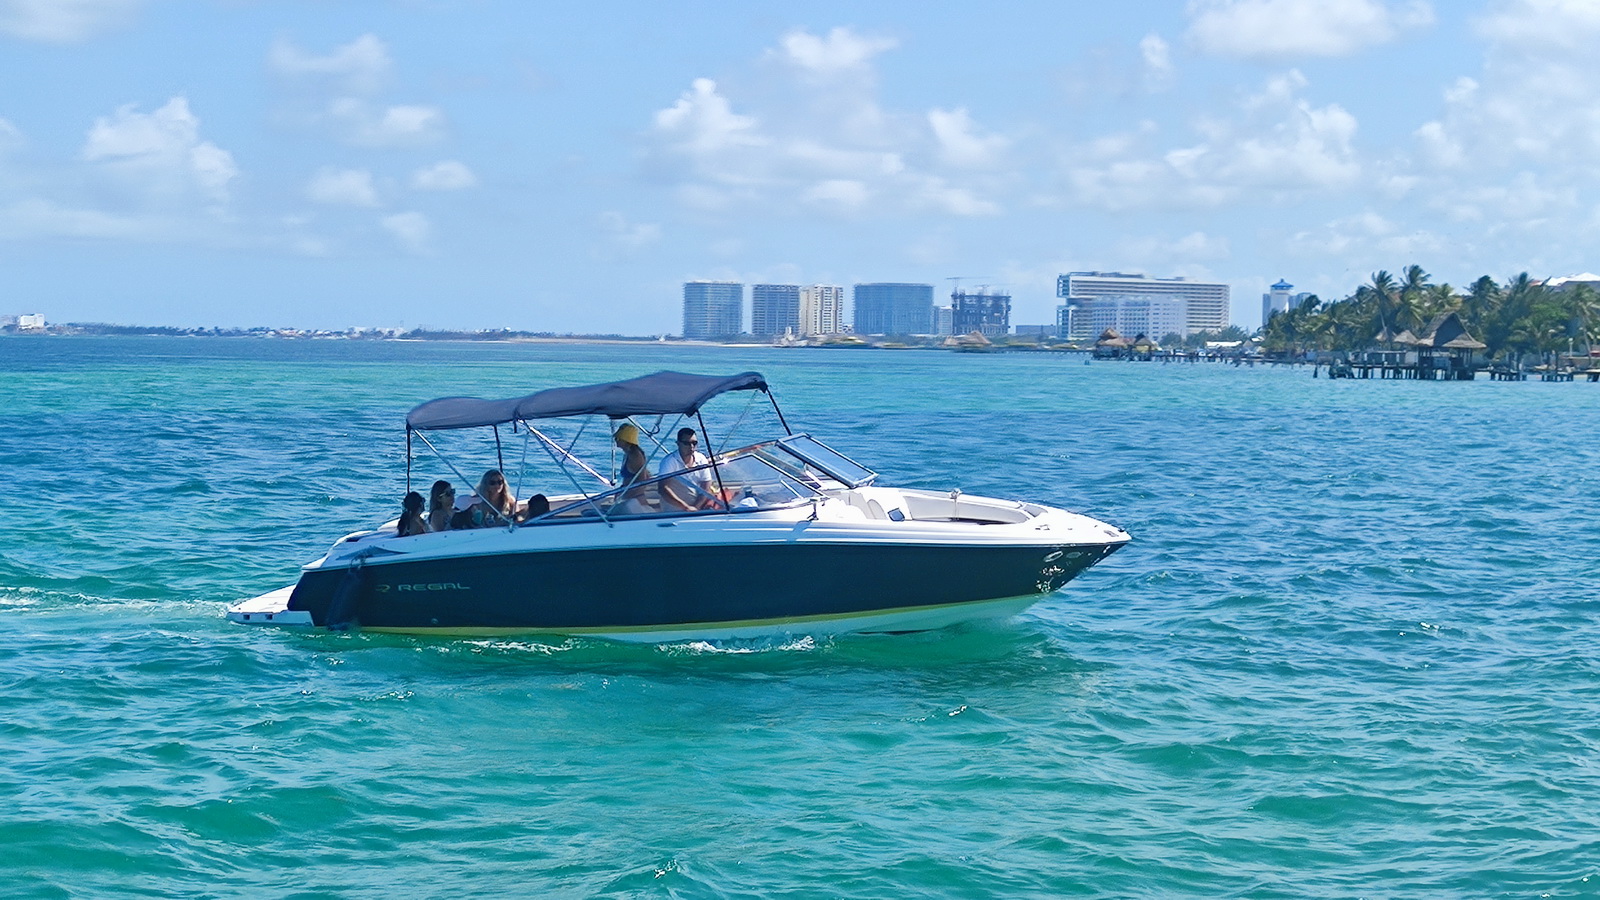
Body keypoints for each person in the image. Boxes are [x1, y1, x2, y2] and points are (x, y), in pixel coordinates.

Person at [659, 427, 721, 511]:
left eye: (694, 443)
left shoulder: (701, 459)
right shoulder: (669, 461)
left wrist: (695, 507)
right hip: (674, 510)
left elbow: (706, 486)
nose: (691, 447)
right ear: (678, 443)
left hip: (697, 507)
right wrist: (686, 507)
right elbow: (663, 488)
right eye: (686, 443)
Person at [613, 423, 652, 514]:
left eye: (618, 438)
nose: (616, 440)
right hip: (629, 497)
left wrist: (627, 495)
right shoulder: (628, 453)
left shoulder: (635, 456)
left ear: (626, 440)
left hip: (635, 499)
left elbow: (643, 480)